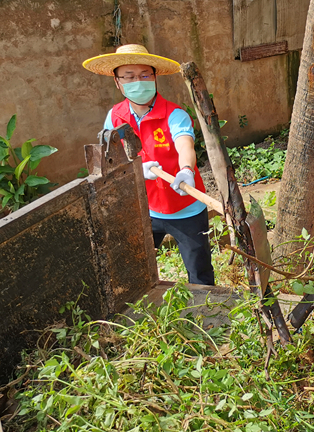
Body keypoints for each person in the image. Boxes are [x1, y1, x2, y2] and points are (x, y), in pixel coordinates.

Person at [83, 44, 215, 285]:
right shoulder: (115, 116)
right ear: (117, 82)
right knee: (134, 267)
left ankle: (208, 306)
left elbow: (184, 144)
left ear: (155, 77)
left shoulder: (174, 114)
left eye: (145, 75)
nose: (138, 82)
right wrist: (133, 168)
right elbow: (111, 155)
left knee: (199, 271)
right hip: (143, 208)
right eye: (129, 76)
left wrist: (186, 170)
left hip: (185, 208)